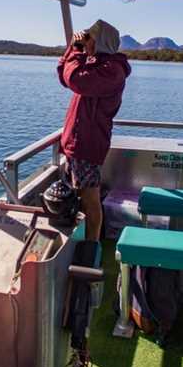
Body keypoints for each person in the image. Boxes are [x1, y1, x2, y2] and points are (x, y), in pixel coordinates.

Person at [57, 19, 131, 241]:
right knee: (82, 196)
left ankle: (91, 249)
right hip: (77, 142)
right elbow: (64, 75)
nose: (85, 42)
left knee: (90, 199)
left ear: (101, 41)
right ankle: (83, 242)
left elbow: (76, 79)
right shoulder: (96, 64)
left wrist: (77, 52)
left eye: (89, 38)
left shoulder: (111, 70)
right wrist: (74, 49)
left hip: (87, 144)